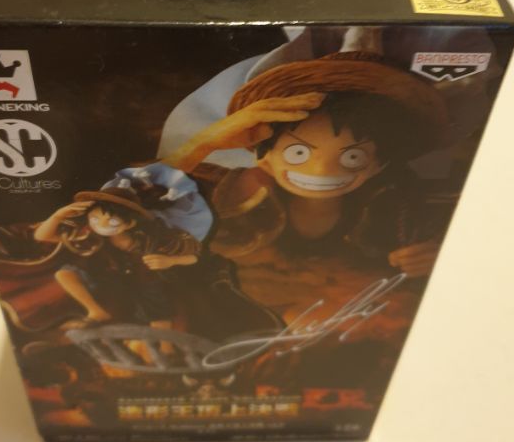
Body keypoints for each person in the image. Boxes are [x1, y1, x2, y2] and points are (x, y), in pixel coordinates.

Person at [164, 46, 453, 278]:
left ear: (379, 164)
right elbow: (141, 206)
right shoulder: (226, 193)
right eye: (298, 154)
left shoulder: (400, 203)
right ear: (264, 157)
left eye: (352, 157)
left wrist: (436, 259)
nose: (321, 170)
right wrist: (202, 145)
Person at [34, 187, 200, 335]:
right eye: (95, 219)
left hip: (146, 282)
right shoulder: (91, 236)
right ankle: (96, 311)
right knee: (65, 273)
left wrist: (171, 261)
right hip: (111, 281)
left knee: (155, 305)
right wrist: (57, 216)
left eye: (112, 221)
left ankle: (167, 348)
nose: (102, 225)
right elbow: (42, 236)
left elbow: (194, 257)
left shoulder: (151, 238)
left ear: (130, 223)